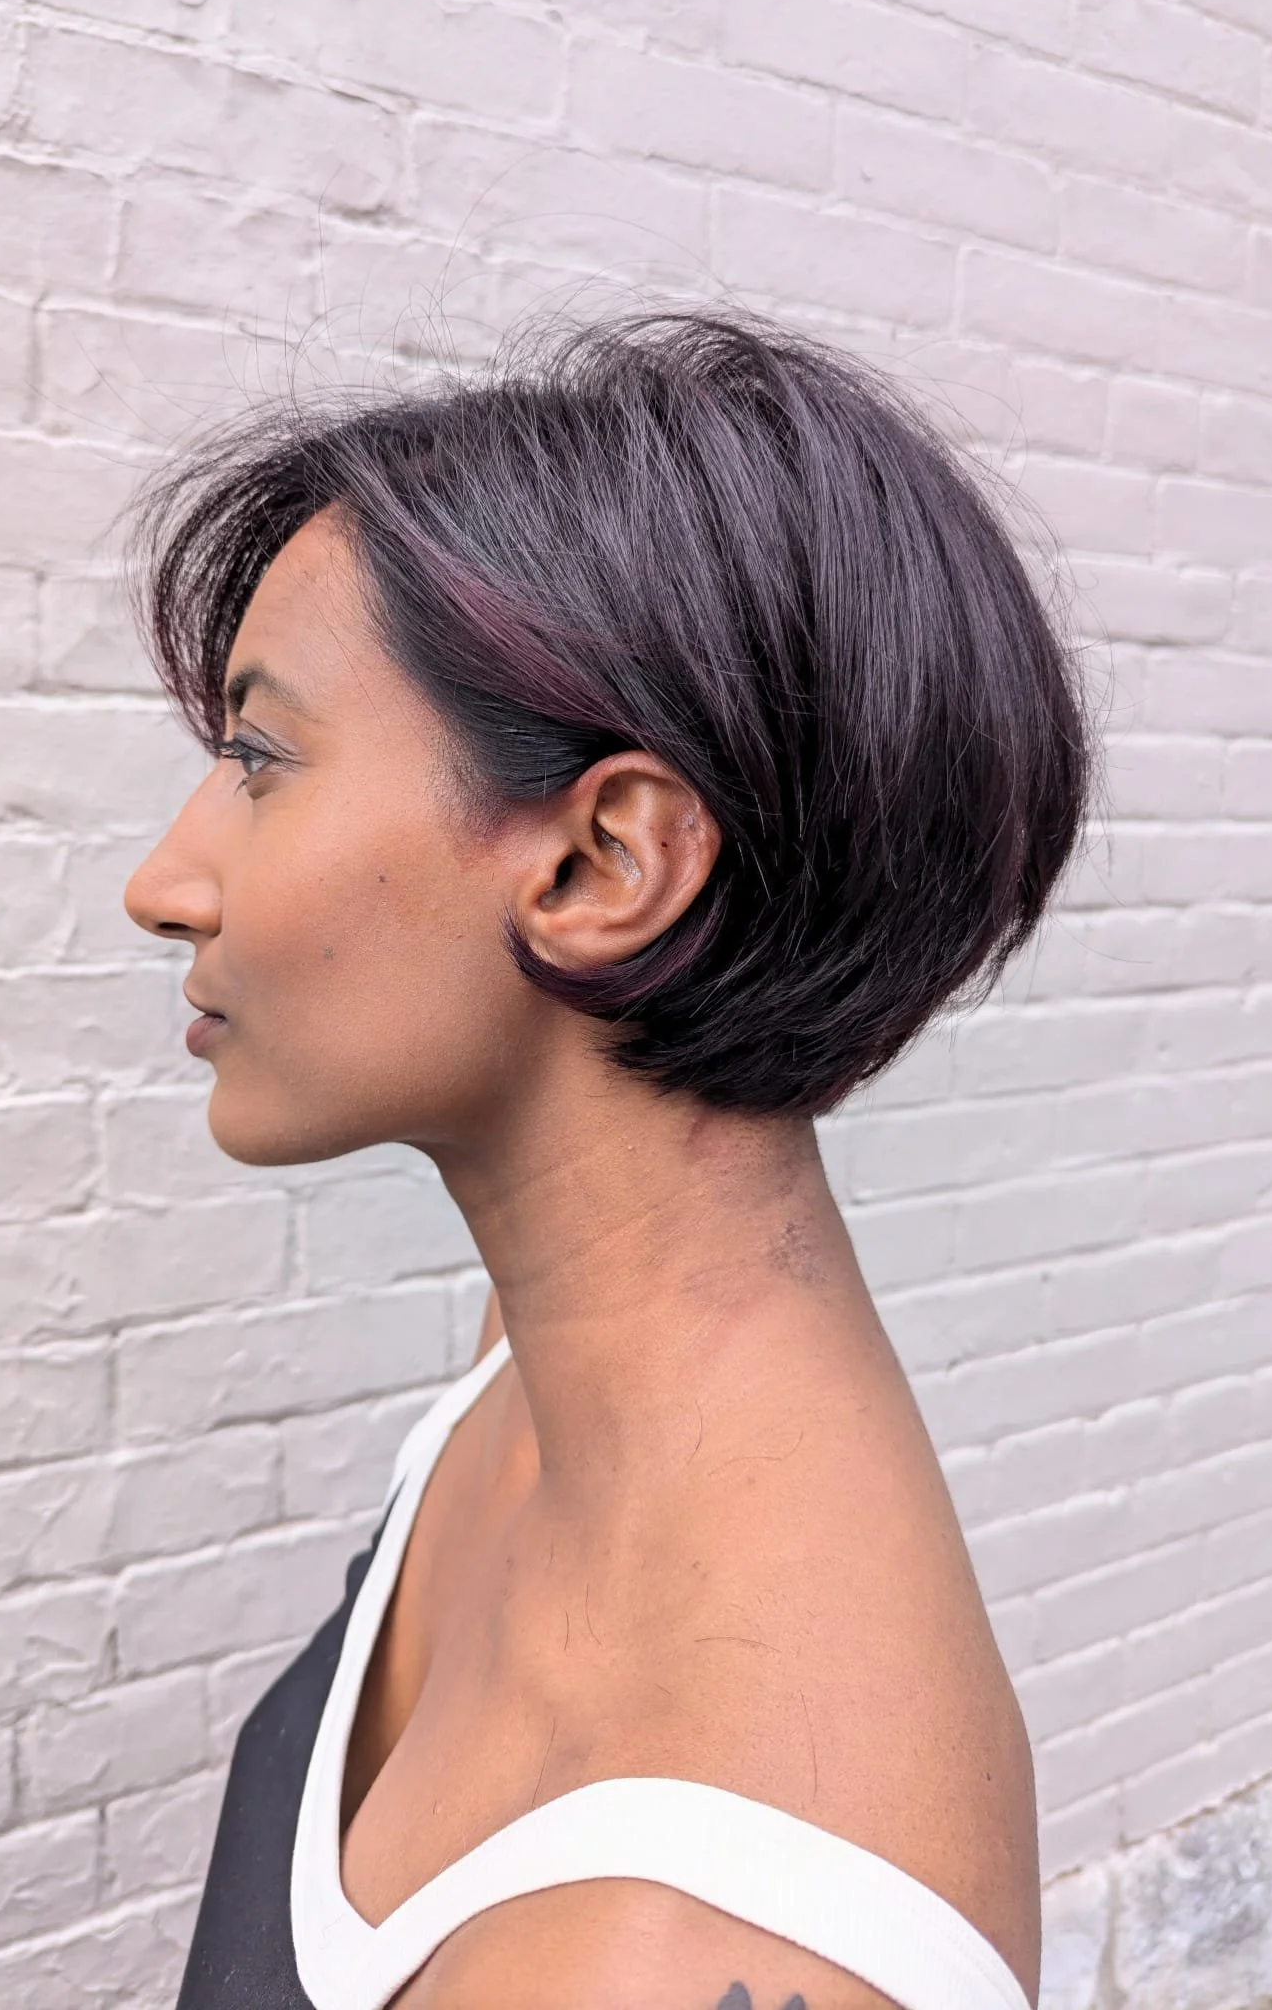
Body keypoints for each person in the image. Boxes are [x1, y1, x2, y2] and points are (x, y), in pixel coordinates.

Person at [124, 313, 1090, 2010]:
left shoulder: (690, 1954)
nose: (166, 881)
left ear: (604, 862)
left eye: (260, 760)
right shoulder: (541, 1368)